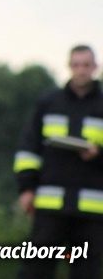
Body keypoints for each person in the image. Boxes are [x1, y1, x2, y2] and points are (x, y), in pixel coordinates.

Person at [13, 44, 103, 279]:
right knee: (36, 268)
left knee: (87, 271)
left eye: (86, 65)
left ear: (95, 67)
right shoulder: (50, 102)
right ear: (69, 67)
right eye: (76, 65)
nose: (81, 71)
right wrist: (26, 187)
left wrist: (98, 153)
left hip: (92, 209)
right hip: (51, 205)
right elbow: (29, 149)